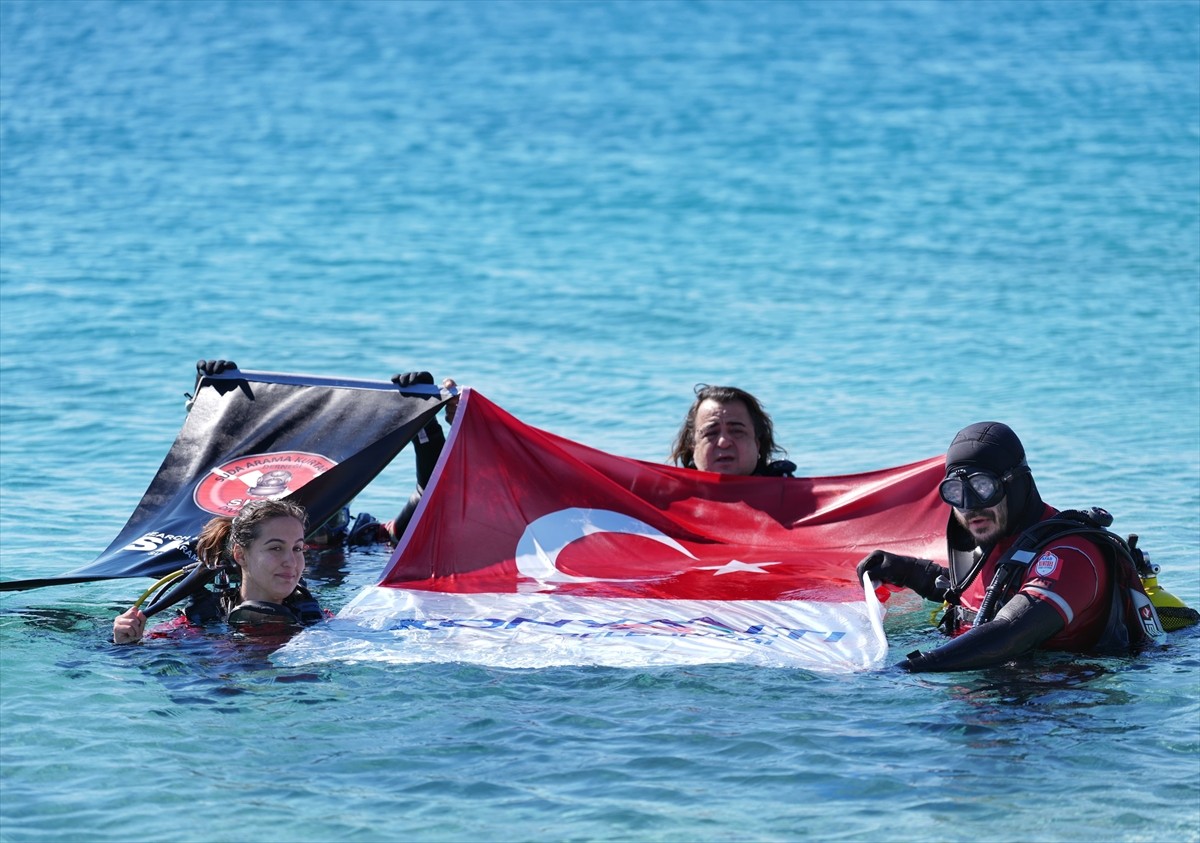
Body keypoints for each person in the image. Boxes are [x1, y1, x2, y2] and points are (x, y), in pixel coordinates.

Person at [857, 421, 1192, 673]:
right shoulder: (993, 540)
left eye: (982, 487)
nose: (971, 506)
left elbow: (1011, 632)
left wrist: (906, 670)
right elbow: (976, 595)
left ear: (1016, 484)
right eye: (956, 493)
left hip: (1061, 710)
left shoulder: (1069, 555)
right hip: (998, 689)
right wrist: (911, 571)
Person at [190, 361, 458, 548]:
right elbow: (212, 485)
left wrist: (423, 422)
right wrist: (213, 405)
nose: (320, 530)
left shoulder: (368, 540)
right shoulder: (263, 550)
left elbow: (430, 492)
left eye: (330, 514)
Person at [113, 499, 324, 644]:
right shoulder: (202, 621)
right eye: (275, 548)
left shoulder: (316, 619)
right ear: (241, 555)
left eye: (297, 548)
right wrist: (126, 642)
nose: (291, 562)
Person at [669, 384, 795, 477]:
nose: (723, 442)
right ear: (692, 447)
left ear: (757, 444)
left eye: (737, 431)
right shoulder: (665, 502)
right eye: (711, 433)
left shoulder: (794, 499)